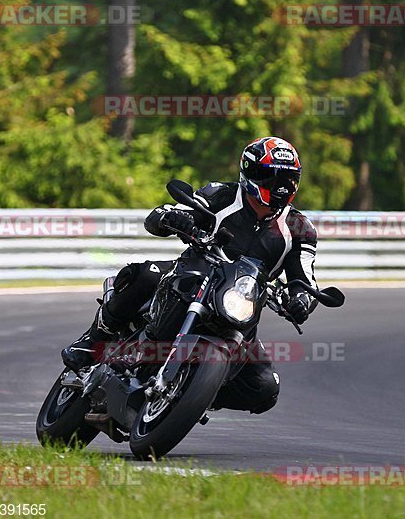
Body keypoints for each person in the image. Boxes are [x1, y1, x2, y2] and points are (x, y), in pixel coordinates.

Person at [61, 136, 318, 414]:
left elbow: (305, 279)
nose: (279, 187)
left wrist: (301, 300)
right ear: (250, 172)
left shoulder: (299, 228)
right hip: (193, 275)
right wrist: (171, 218)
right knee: (146, 274)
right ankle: (93, 341)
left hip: (239, 305)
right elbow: (164, 214)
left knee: (264, 388)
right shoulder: (221, 195)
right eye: (271, 177)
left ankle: (191, 391)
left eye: (287, 180)